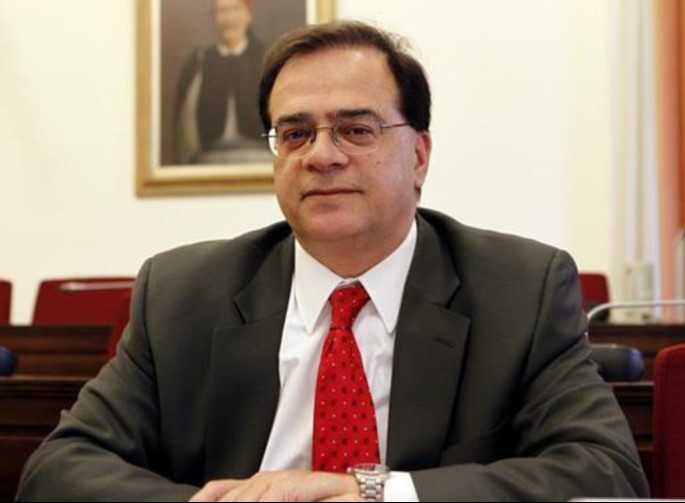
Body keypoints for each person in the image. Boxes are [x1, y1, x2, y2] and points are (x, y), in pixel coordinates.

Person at [18, 21, 649, 502]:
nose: (321, 155)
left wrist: (374, 493)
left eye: (356, 129)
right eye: (295, 133)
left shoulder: (519, 290)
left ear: (419, 155)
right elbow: (59, 468)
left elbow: (606, 472)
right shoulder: (183, 293)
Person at [174, 0, 269, 164]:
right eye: (222, 11)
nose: (229, 18)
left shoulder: (266, 58)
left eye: (235, 9)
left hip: (260, 157)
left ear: (248, 15)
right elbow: (184, 124)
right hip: (209, 159)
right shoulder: (199, 62)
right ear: (214, 17)